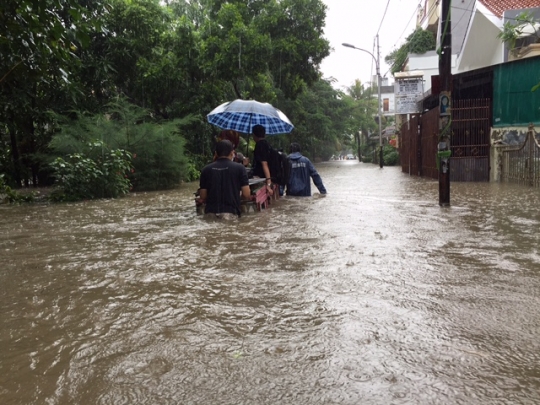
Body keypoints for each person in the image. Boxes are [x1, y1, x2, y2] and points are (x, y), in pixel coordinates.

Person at [199, 140, 251, 219]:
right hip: (230, 213)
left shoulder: (206, 169)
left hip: (210, 213)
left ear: (216, 153)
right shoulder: (240, 168)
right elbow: (246, 195)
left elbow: (203, 196)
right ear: (232, 153)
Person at [251, 124, 274, 196]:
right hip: (269, 174)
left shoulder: (259, 145)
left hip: (261, 176)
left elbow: (264, 164)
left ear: (254, 135)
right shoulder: (267, 144)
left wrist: (268, 183)